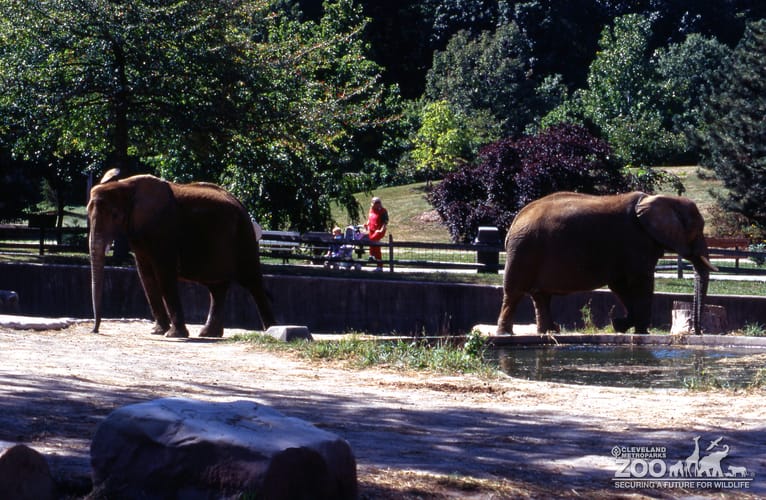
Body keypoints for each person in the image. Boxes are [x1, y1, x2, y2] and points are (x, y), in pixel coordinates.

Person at [364, 196, 388, 271]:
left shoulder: (383, 211)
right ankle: (379, 266)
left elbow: (385, 222)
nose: (376, 205)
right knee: (376, 247)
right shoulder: (371, 210)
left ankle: (372, 255)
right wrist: (367, 224)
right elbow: (370, 219)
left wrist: (381, 230)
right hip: (371, 230)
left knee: (371, 241)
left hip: (379, 231)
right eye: (374, 203)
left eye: (378, 203)